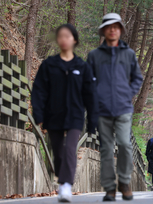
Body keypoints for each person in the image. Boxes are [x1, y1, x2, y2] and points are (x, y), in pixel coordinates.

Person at [31, 24, 98, 202]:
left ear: (74, 40)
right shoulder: (49, 65)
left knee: (70, 149)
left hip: (75, 116)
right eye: (60, 36)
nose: (63, 39)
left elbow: (90, 95)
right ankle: (62, 182)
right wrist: (38, 114)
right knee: (58, 151)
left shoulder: (82, 67)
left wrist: (92, 121)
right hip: (53, 115)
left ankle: (66, 185)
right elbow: (38, 90)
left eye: (67, 36)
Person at [87, 13, 143, 201]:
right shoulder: (94, 55)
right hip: (102, 109)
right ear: (104, 30)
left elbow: (137, 78)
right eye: (109, 27)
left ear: (120, 30)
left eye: (116, 26)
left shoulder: (128, 54)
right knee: (106, 149)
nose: (113, 29)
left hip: (123, 107)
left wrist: (128, 93)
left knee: (125, 144)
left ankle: (124, 182)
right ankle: (110, 188)